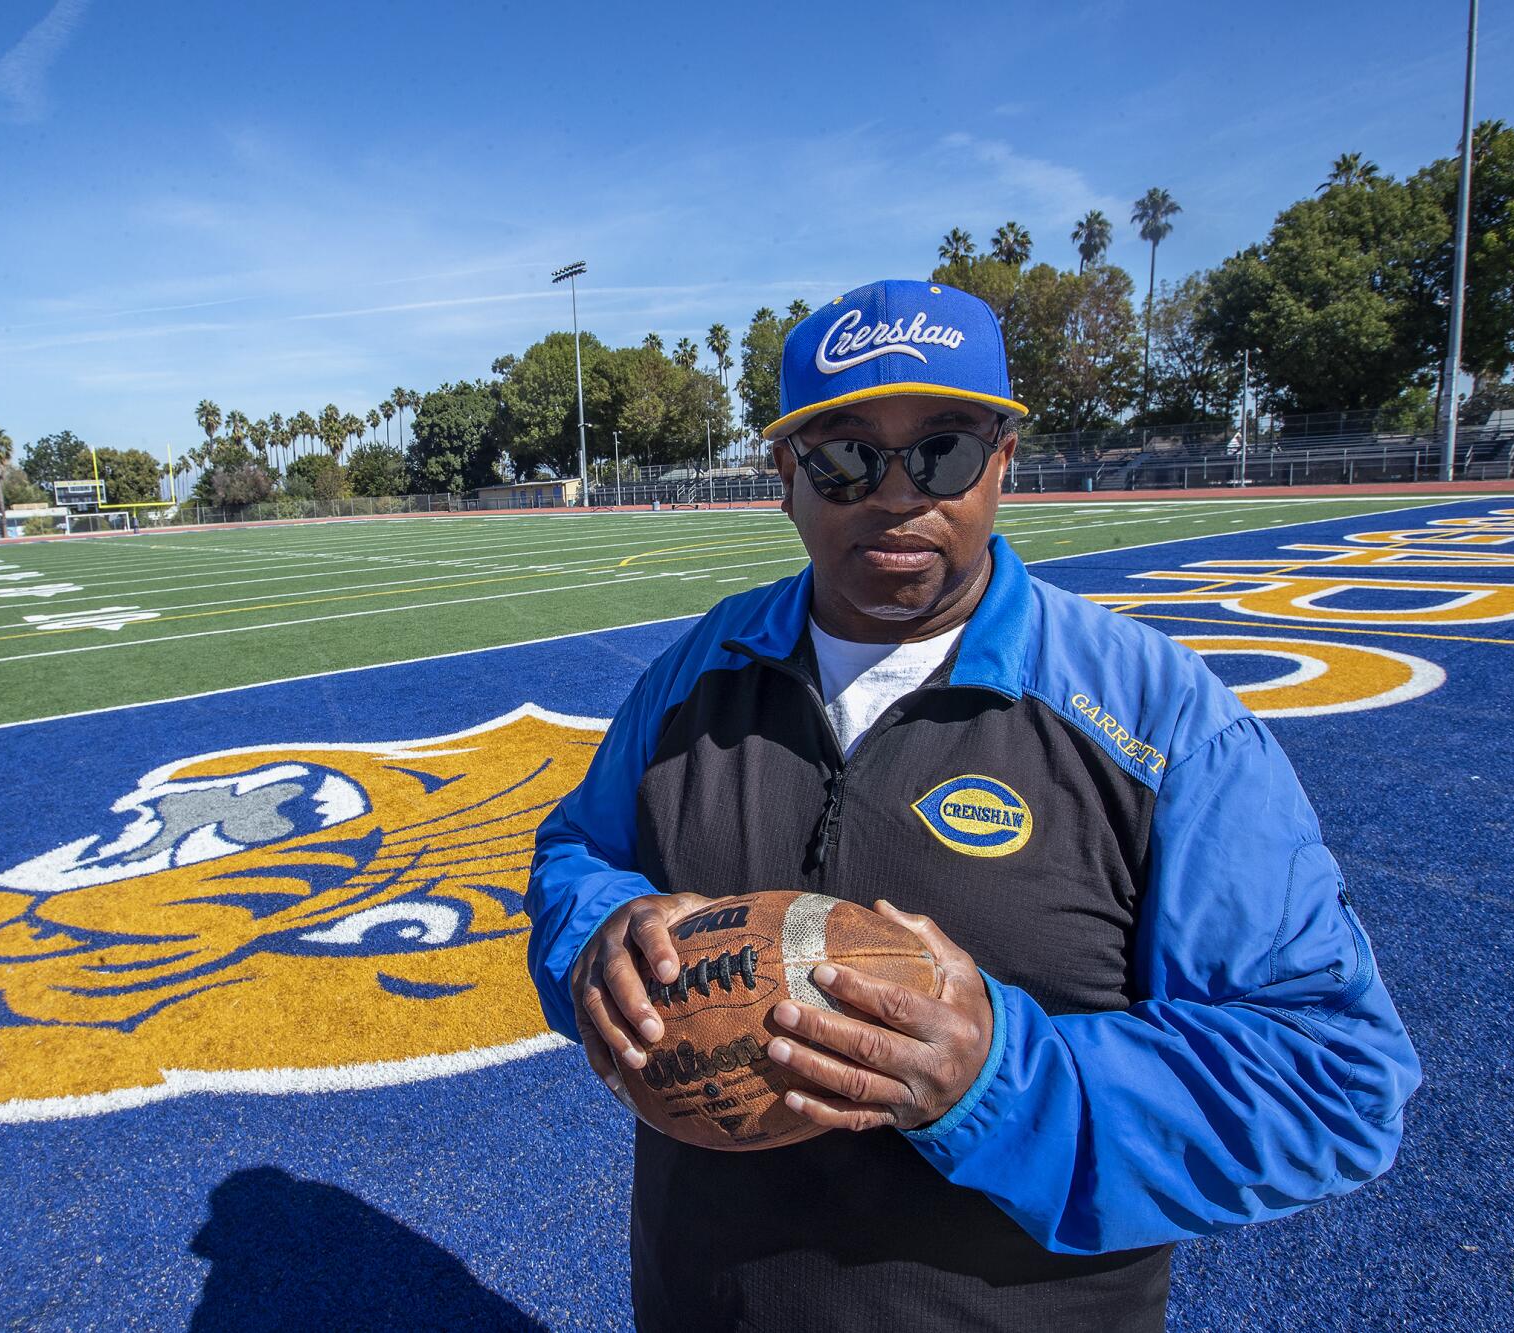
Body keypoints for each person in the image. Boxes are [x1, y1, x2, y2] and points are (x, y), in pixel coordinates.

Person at [526, 279, 1421, 1333]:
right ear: (783, 474)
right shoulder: (695, 670)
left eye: (942, 449)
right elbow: (577, 854)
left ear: (1002, 460)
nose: (896, 494)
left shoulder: (1158, 716)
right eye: (843, 452)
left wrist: (1000, 1081)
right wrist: (595, 938)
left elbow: (1332, 1077)